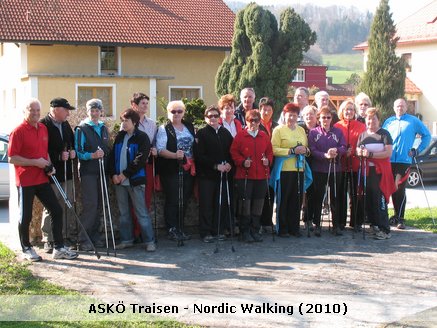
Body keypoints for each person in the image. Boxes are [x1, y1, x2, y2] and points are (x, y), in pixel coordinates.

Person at [8, 98, 78, 261]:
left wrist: (48, 164)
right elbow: (12, 158)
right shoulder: (18, 131)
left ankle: (59, 248)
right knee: (25, 216)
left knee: (56, 210)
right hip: (25, 180)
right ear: (25, 111)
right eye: (31, 110)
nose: (35, 113)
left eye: (37, 110)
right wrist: (35, 163)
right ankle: (26, 248)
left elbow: (44, 151)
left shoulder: (42, 128)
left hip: (42, 178)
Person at [108, 108, 156, 251]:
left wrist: (124, 175)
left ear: (134, 122)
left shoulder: (142, 137)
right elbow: (112, 158)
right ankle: (126, 239)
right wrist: (113, 175)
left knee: (141, 212)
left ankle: (149, 241)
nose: (123, 123)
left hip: (134, 180)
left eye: (126, 121)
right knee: (124, 213)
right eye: (122, 120)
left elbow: (140, 160)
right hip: (119, 182)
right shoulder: (120, 137)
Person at [382, 98, 431, 229]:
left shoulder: (413, 121)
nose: (400, 108)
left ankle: (400, 218)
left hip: (404, 161)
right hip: (389, 160)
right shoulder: (388, 122)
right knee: (389, 187)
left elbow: (427, 135)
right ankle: (391, 216)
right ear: (393, 108)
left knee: (399, 188)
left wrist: (417, 150)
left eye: (402, 106)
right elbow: (381, 138)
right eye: (397, 106)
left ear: (406, 107)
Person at [39, 97, 77, 253]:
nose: (68, 113)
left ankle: (63, 236)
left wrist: (73, 151)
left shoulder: (66, 124)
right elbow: (41, 149)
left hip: (66, 173)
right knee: (50, 207)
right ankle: (48, 239)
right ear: (56, 109)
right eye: (66, 110)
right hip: (51, 173)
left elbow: (71, 142)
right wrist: (57, 157)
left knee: (66, 204)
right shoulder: (43, 124)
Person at [230, 110, 273, 243]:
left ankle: (255, 230)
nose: (253, 123)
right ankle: (245, 231)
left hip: (261, 175)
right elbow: (233, 152)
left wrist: (268, 161)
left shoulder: (264, 136)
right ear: (246, 122)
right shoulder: (240, 136)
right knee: (245, 204)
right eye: (250, 120)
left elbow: (270, 152)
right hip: (244, 175)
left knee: (258, 204)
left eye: (256, 120)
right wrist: (242, 162)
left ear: (260, 122)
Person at [156, 100, 195, 241]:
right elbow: (160, 150)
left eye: (179, 111)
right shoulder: (164, 128)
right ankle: (172, 228)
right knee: (173, 199)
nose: (177, 114)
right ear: (168, 113)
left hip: (189, 169)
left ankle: (181, 227)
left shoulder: (189, 126)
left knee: (184, 198)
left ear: (183, 112)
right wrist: (175, 156)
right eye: (173, 111)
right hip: (171, 169)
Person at [75, 98, 109, 251]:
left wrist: (103, 154)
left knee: (100, 204)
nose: (95, 113)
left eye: (97, 110)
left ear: (101, 111)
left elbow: (106, 147)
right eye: (92, 110)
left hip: (102, 171)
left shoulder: (103, 128)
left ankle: (95, 235)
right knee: (91, 205)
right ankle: (83, 238)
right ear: (87, 112)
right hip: (88, 171)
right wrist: (92, 155)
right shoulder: (81, 128)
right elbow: (79, 151)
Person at [195, 106, 234, 243]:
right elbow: (199, 156)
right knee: (206, 205)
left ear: (219, 117)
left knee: (221, 204)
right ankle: (205, 232)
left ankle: (218, 230)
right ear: (205, 118)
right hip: (207, 175)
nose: (213, 118)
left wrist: (229, 163)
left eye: (215, 116)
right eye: (209, 116)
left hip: (223, 175)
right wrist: (216, 166)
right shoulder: (201, 133)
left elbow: (231, 152)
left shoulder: (225, 133)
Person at [356, 107, 396, 239]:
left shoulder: (384, 134)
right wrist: (359, 152)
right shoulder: (363, 134)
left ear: (379, 120)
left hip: (380, 172)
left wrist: (370, 154)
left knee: (380, 200)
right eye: (368, 119)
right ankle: (375, 225)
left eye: (373, 119)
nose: (370, 121)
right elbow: (358, 149)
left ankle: (385, 230)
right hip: (367, 172)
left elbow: (388, 153)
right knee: (370, 200)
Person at [271, 103, 310, 237]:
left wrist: (305, 150)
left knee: (296, 199)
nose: (292, 118)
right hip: (284, 170)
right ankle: (282, 228)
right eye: (289, 115)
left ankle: (294, 228)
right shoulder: (278, 130)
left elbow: (306, 147)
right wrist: (291, 150)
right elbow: (274, 149)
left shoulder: (301, 130)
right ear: (284, 115)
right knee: (284, 199)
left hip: (299, 169)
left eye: (294, 115)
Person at [308, 106, 347, 236]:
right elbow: (312, 150)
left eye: (328, 117)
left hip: (335, 168)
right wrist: (325, 155)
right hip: (319, 169)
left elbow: (343, 146)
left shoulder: (338, 132)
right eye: (323, 117)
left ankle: (336, 225)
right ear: (319, 118)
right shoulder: (313, 132)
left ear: (332, 118)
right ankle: (317, 224)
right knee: (318, 197)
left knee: (334, 197)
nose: (326, 119)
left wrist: (336, 151)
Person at [334, 99, 366, 230]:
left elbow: (364, 141)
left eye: (351, 109)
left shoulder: (361, 126)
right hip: (340, 164)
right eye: (346, 109)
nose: (349, 112)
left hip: (355, 164)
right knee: (340, 194)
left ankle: (356, 222)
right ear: (342, 111)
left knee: (356, 194)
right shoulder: (336, 126)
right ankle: (340, 221)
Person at [130, 92, 157, 210]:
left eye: (147, 103)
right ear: (134, 105)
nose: (145, 106)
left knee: (146, 197)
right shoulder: (127, 122)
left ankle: (142, 228)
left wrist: (155, 149)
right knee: (134, 198)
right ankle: (134, 228)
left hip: (148, 165)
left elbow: (155, 142)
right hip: (133, 164)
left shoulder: (152, 123)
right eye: (142, 103)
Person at [258, 97, 278, 232]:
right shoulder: (255, 124)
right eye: (264, 109)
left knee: (271, 192)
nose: (266, 112)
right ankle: (258, 222)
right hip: (259, 164)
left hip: (272, 163)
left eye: (269, 110)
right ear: (260, 110)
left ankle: (267, 221)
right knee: (260, 194)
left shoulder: (276, 126)